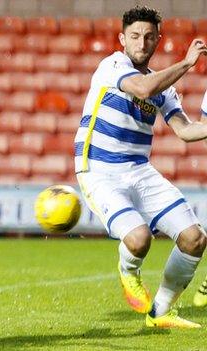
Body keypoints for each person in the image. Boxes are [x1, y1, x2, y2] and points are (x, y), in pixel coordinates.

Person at [75, 5, 207, 328]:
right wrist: (188, 63)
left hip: (138, 170)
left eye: (149, 37)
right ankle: (128, 271)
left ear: (158, 40)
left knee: (195, 239)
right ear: (122, 38)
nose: (141, 42)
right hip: (99, 170)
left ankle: (159, 312)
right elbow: (144, 89)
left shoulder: (163, 88)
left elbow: (186, 131)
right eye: (134, 36)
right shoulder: (112, 66)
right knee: (138, 238)